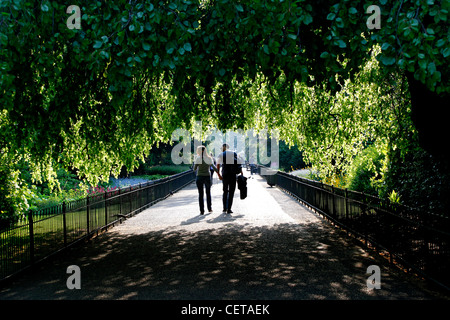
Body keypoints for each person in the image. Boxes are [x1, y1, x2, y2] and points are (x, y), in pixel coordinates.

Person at [193, 146, 222, 215]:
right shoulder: (209, 158)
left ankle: (202, 210)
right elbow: (214, 168)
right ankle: (209, 208)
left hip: (199, 177)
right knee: (208, 193)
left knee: (200, 194)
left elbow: (194, 169)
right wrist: (218, 171)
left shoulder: (198, 158)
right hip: (207, 177)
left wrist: (197, 166)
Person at [217, 143, 243, 214]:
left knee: (225, 191)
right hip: (233, 175)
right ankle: (229, 209)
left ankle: (224, 208)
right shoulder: (234, 153)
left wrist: (218, 174)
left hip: (225, 175)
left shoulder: (221, 154)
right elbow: (238, 164)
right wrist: (241, 173)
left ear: (225, 147)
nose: (221, 149)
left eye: (221, 147)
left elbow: (218, 165)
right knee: (231, 192)